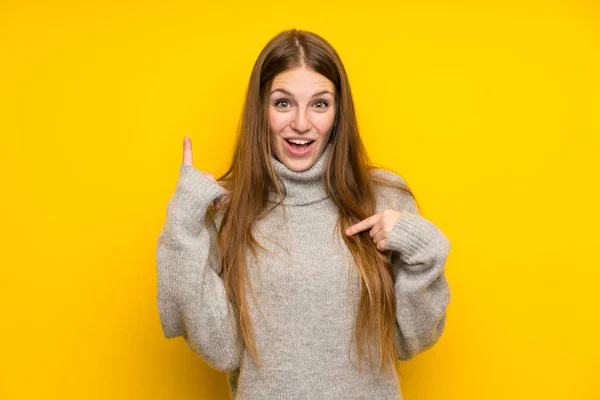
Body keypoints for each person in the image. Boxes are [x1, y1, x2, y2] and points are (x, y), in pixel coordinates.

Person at [156, 28, 451, 399]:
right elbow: (222, 349)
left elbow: (412, 341)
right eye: (283, 103)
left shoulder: (382, 197)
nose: (301, 123)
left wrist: (425, 251)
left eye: (319, 104)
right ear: (261, 110)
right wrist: (183, 222)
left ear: (338, 112)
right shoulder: (227, 210)